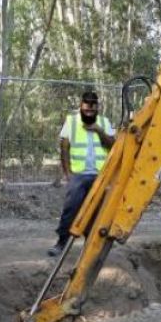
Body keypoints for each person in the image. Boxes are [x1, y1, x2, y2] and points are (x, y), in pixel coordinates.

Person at [47, 91, 115, 257]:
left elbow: (113, 145)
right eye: (87, 106)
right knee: (72, 207)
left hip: (100, 175)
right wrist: (68, 173)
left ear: (97, 106)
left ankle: (90, 245)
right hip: (79, 174)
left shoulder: (104, 122)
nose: (89, 110)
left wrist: (99, 131)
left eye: (93, 106)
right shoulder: (71, 122)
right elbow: (64, 147)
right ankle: (62, 242)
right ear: (81, 105)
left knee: (97, 211)